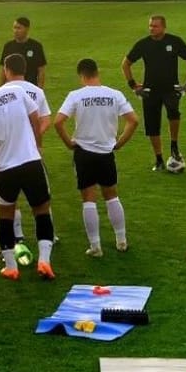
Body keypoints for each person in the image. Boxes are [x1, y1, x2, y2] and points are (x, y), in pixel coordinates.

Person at [0, 73, 57, 280]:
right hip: (31, 162)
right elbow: (35, 118)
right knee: (41, 211)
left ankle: (11, 267)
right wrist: (36, 145)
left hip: (6, 169)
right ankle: (44, 261)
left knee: (5, 216)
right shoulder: (16, 91)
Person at [53, 58, 138, 257]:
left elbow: (58, 122)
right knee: (111, 196)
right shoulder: (114, 94)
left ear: (81, 75)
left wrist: (68, 142)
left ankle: (95, 246)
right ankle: (121, 240)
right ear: (97, 72)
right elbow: (133, 120)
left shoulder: (76, 95)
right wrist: (119, 143)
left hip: (83, 152)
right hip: (106, 152)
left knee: (88, 199)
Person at [121, 15, 186, 172]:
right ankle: (159, 159)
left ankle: (174, 146)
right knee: (152, 125)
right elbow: (125, 63)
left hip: (171, 89)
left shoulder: (174, 42)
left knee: (173, 113)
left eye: (155, 26)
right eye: (150, 26)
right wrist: (133, 86)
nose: (152, 29)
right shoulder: (143, 44)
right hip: (150, 91)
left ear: (163, 27)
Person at [0, 53, 52, 244]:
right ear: (25, 69)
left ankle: (18, 235)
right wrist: (33, 135)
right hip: (32, 152)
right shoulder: (37, 91)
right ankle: (49, 234)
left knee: (9, 199)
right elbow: (46, 119)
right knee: (42, 196)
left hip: (8, 151)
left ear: (6, 70)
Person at [0, 16, 47, 88]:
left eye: (19, 28)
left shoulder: (36, 46)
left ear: (27, 29)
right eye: (14, 28)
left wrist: (40, 89)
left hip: (30, 87)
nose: (15, 31)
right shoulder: (8, 46)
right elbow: (3, 69)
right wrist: (0, 88)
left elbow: (41, 70)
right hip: (12, 88)